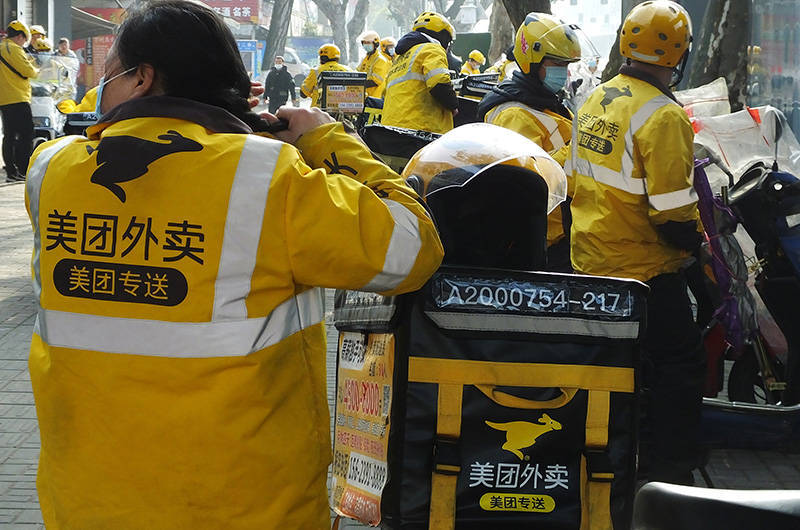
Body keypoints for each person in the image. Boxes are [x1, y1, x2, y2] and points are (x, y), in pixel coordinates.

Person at [25, 1, 443, 528]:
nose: (101, 89)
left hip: (86, 505)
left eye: (111, 73)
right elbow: (413, 247)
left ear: (142, 78)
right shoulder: (268, 177)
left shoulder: (49, 170)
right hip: (248, 507)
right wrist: (327, 139)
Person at [568, 0, 703, 485]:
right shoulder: (664, 116)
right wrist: (699, 246)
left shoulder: (597, 98)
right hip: (642, 272)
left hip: (590, 260)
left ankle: (607, 455)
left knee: (612, 368)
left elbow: (576, 180)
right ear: (680, 55)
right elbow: (672, 214)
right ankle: (671, 470)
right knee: (680, 362)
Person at [477, 12, 580, 272]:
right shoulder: (514, 113)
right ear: (533, 61)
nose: (563, 71)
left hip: (562, 231)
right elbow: (529, 180)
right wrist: (578, 149)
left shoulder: (545, 101)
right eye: (557, 63)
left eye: (566, 64)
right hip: (542, 241)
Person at [382, 11, 458, 134]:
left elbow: (385, 92)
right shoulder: (432, 49)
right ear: (443, 37)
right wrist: (453, 105)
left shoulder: (400, 58)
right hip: (420, 129)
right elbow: (439, 83)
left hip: (390, 128)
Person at [0, 20, 38, 182]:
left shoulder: (2, 47)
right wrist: (35, 69)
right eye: (25, 39)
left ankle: (11, 171)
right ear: (20, 36)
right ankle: (22, 169)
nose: (24, 43)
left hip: (5, 98)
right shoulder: (13, 49)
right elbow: (28, 71)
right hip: (17, 97)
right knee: (26, 134)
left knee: (9, 135)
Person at [300, 43, 350, 108]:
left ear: (322, 58)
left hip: (319, 110)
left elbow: (303, 93)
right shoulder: (348, 70)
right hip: (342, 110)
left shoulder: (316, 71)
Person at [357, 30, 391, 98]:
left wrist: (358, 83)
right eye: (364, 43)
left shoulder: (380, 60)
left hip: (374, 98)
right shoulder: (365, 59)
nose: (366, 45)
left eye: (368, 43)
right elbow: (357, 72)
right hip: (364, 96)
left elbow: (376, 81)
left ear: (376, 44)